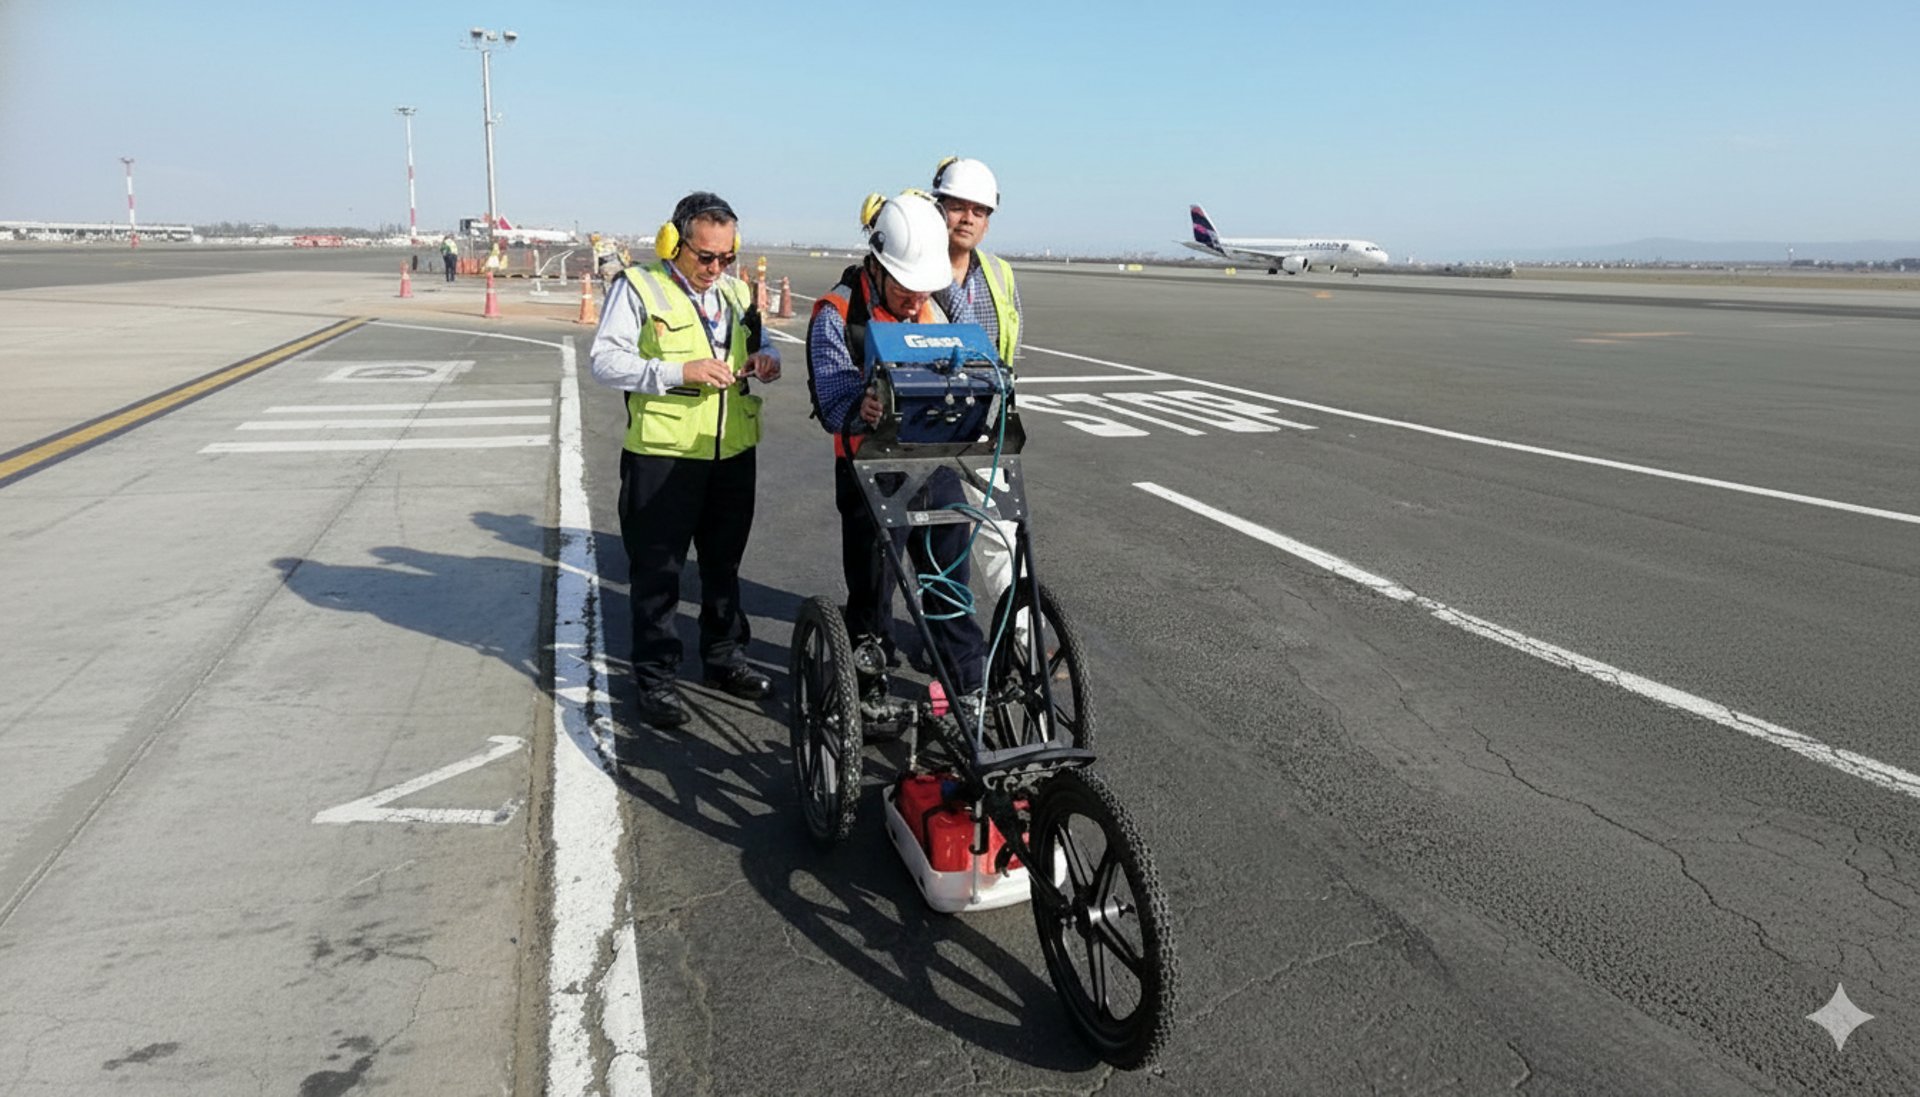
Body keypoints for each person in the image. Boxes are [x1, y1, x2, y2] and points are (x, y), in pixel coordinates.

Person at [589, 191, 782, 732]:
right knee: (658, 572)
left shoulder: (737, 292)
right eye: (705, 257)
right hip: (664, 457)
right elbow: (605, 361)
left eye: (727, 257)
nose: (716, 268)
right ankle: (656, 676)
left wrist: (768, 359)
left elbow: (760, 343)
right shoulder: (639, 287)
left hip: (731, 453)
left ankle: (724, 659)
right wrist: (679, 372)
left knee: (724, 568)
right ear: (673, 244)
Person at [806, 190, 988, 709]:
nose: (915, 302)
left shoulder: (934, 303)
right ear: (878, 266)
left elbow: (974, 360)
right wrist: (858, 408)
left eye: (922, 291)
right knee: (873, 587)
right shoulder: (837, 314)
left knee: (949, 579)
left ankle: (968, 684)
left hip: (934, 463)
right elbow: (831, 404)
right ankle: (868, 678)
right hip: (869, 469)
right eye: (906, 290)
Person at [928, 157, 1024, 623]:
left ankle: (1020, 642)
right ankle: (945, 639)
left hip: (983, 421)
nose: (967, 218)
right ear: (937, 207)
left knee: (1002, 537)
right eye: (957, 206)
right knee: (937, 542)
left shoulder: (1000, 275)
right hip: (921, 424)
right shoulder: (914, 268)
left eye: (979, 211)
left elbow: (1011, 337)